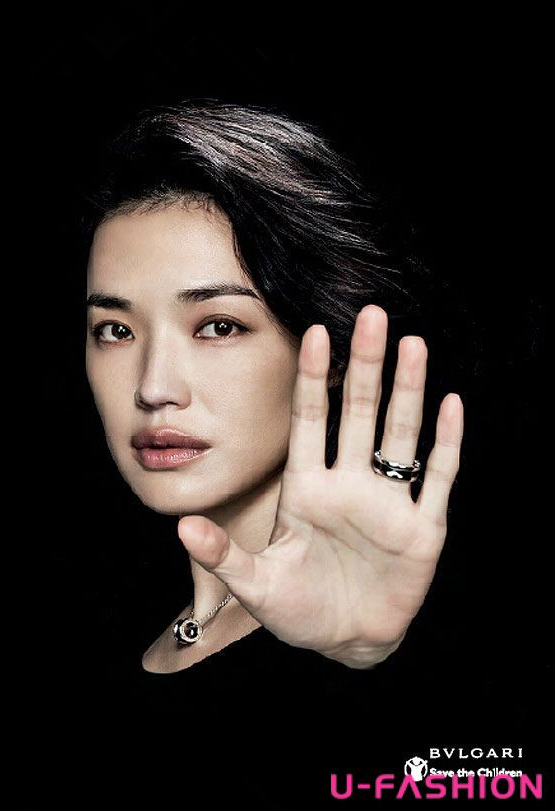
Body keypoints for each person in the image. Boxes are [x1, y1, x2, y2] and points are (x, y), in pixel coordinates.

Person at [81, 98, 464, 677]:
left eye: (219, 326)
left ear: (333, 354)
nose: (153, 388)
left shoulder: (393, 625)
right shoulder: (95, 607)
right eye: (116, 330)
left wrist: (367, 659)